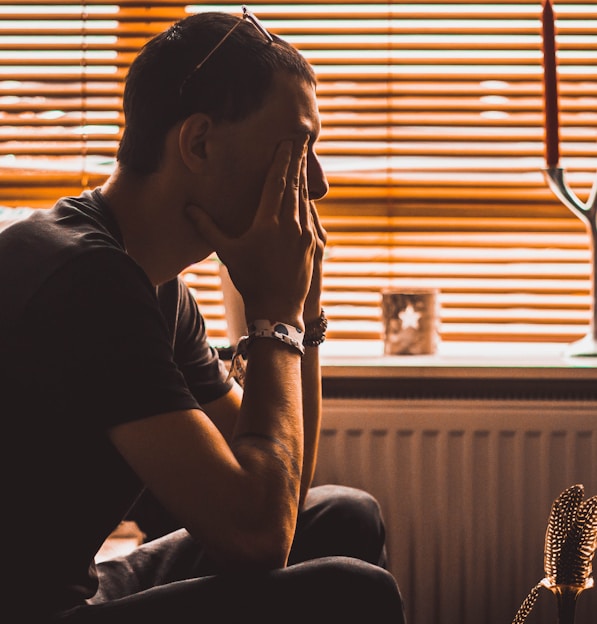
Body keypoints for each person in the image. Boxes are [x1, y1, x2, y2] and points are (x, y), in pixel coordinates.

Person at [0, 8, 406, 624]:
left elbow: (282, 492)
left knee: (344, 513)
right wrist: (274, 315)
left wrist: (302, 311)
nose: (316, 184)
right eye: (297, 147)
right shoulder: (87, 280)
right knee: (355, 591)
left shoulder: (151, 285)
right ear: (198, 142)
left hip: (74, 593)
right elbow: (258, 533)